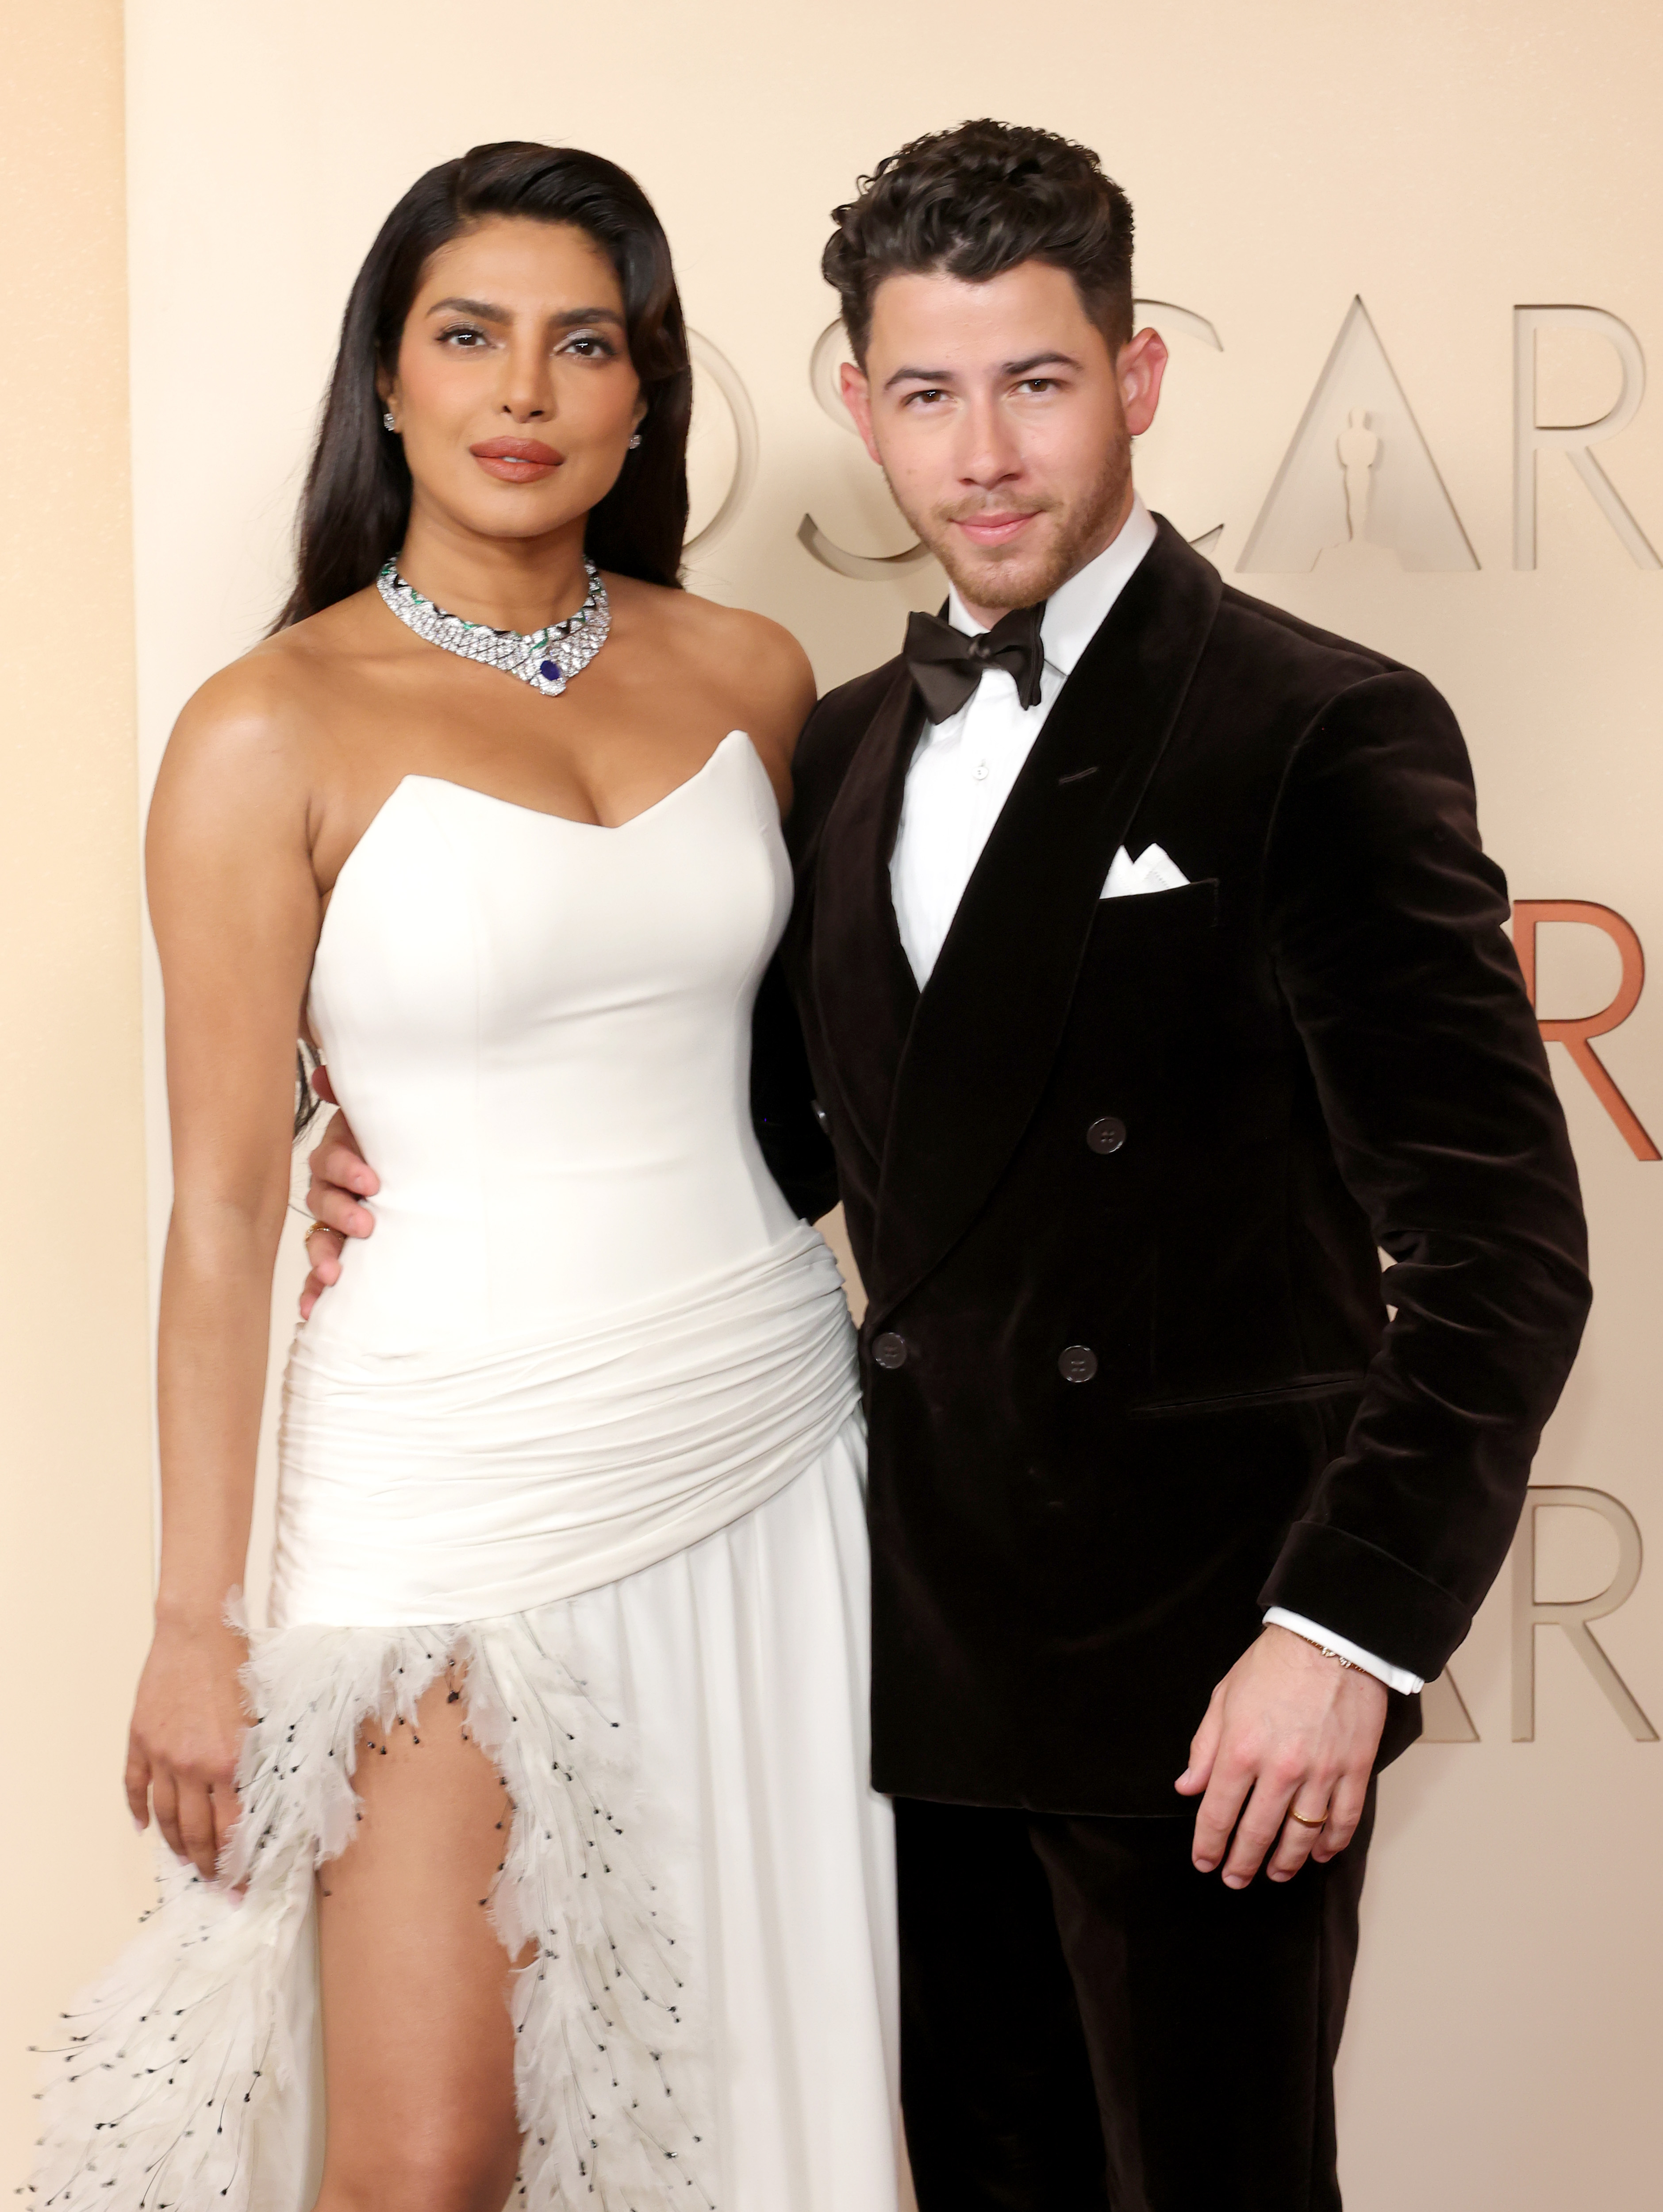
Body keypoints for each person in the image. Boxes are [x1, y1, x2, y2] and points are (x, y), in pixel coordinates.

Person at [302, 123, 1592, 2210]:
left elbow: (1501, 1246)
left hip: (1210, 1680)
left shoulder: (1314, 727)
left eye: (1035, 382)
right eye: (926, 391)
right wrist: (384, 1139)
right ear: (854, 407)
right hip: (902, 1659)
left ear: (1138, 376)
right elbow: (763, 1127)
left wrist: (1338, 1639)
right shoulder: (840, 753)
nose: (982, 451)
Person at [34, 142, 899, 2212]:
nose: (523, 388)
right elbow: (230, 1202)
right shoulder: (267, 724)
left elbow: (822, 1084)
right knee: (428, 2154)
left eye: (580, 340)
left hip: (763, 1430)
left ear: (640, 390)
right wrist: (190, 1615)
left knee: (764, 2067)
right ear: (392, 383)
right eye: (468, 334)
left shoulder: (756, 674)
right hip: (441, 1461)